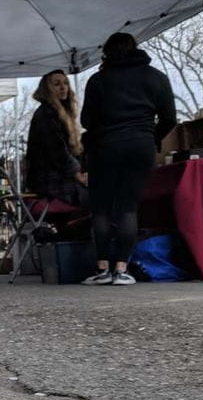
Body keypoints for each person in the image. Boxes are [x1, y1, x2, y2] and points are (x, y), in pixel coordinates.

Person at [80, 32, 177, 286]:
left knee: (100, 208)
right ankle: (122, 269)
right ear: (135, 49)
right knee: (128, 207)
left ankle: (102, 269)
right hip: (140, 146)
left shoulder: (98, 80)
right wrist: (150, 137)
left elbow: (86, 121)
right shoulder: (156, 77)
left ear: (107, 52)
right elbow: (169, 118)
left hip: (104, 148)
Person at [25, 69, 88, 208]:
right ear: (47, 89)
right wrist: (78, 174)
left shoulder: (59, 113)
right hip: (49, 181)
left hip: (56, 177)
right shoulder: (47, 114)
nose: (63, 87)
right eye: (57, 84)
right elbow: (57, 151)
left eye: (66, 83)